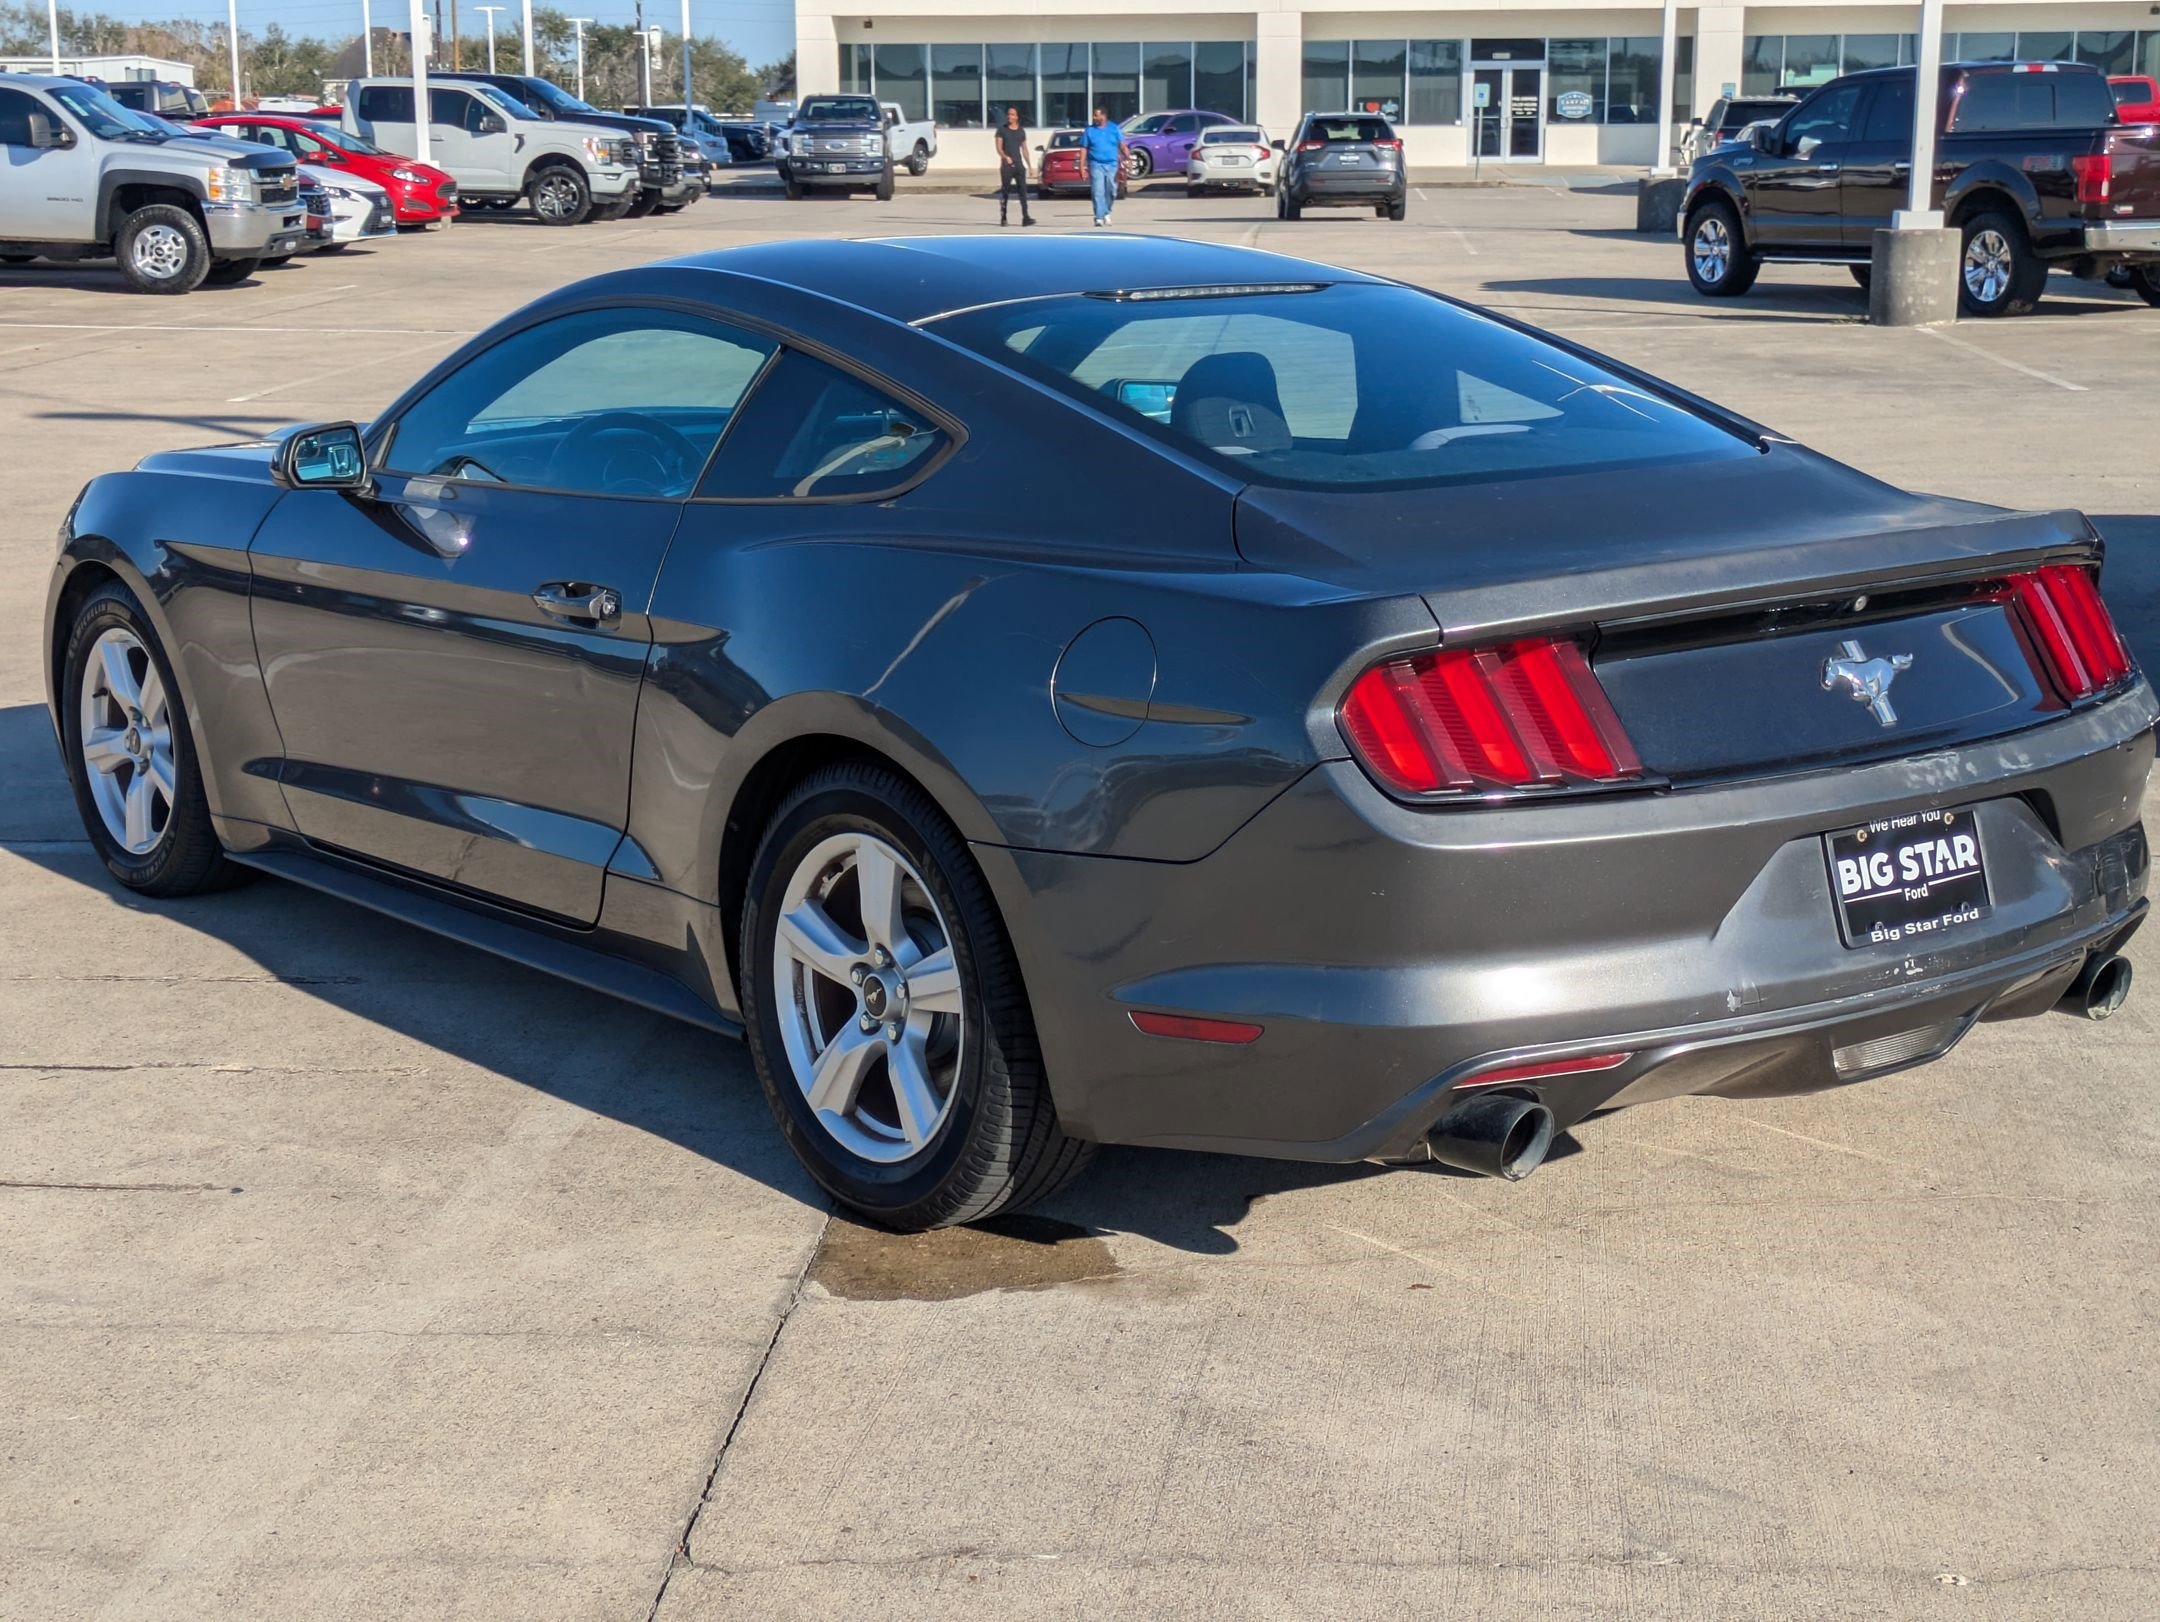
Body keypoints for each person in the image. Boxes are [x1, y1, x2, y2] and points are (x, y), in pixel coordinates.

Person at [1082, 106, 1127, 228]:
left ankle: (1106, 211)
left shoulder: (1114, 128)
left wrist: (1128, 157)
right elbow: (1084, 148)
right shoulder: (1089, 131)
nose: (1094, 118)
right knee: (1098, 191)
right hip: (1096, 164)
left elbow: (1122, 145)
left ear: (1103, 116)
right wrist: (1082, 166)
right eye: (1094, 115)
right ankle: (1099, 217)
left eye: (1096, 115)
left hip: (1112, 164)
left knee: (1112, 190)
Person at [993, 105, 1035, 226]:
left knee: (1023, 191)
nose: (1009, 116)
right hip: (1007, 166)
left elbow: (1024, 149)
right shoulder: (1001, 130)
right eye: (1008, 114)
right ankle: (1004, 217)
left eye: (1012, 114)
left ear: (1017, 117)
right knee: (1005, 191)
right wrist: (1005, 157)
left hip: (1019, 165)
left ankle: (1025, 217)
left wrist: (1030, 166)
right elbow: (998, 148)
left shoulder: (1021, 131)